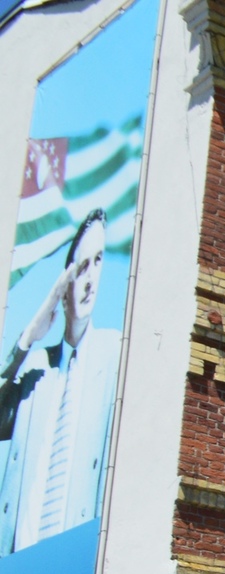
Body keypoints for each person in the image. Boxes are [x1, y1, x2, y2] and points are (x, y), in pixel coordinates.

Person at [0, 210, 119, 555]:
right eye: (81, 267)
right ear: (64, 285)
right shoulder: (37, 367)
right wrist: (28, 338)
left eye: (98, 261)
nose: (90, 279)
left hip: (73, 568)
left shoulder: (114, 353)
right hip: (15, 564)